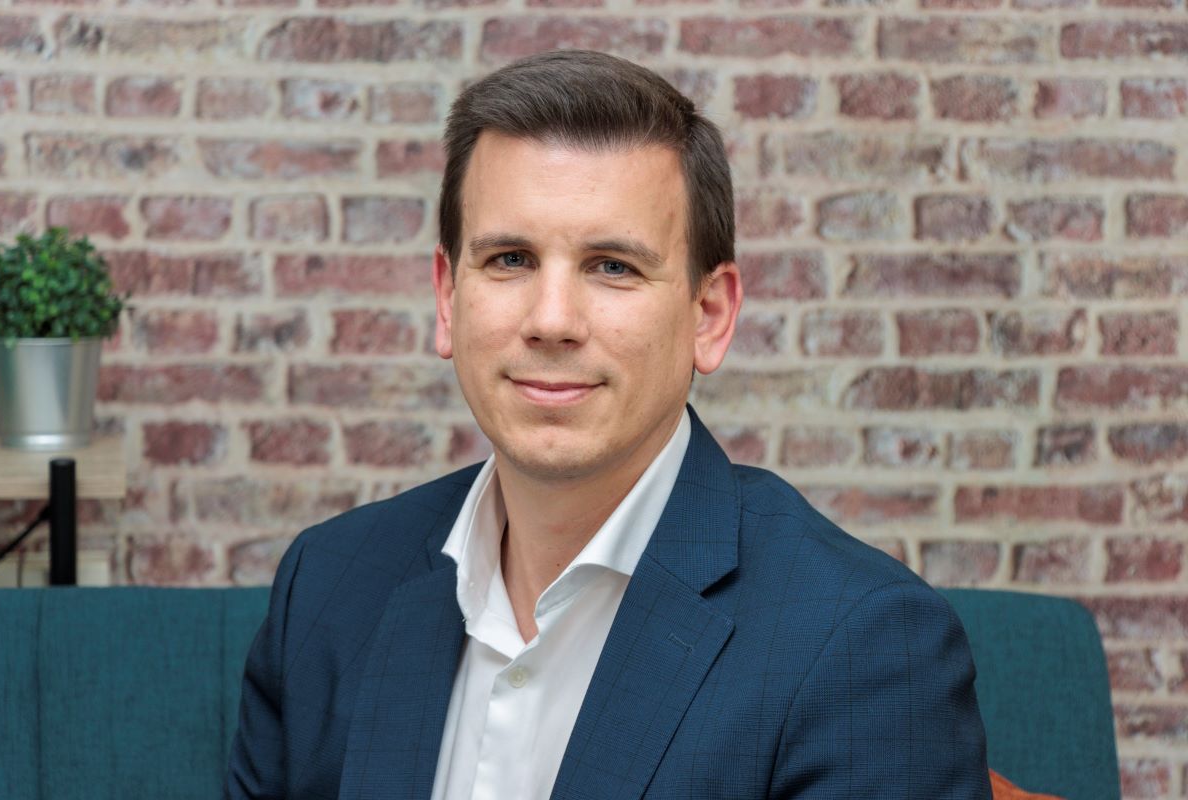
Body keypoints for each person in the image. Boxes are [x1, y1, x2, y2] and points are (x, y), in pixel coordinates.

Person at [225, 50, 991, 799]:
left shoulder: (864, 647)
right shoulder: (329, 585)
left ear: (709, 315)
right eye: (510, 259)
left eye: (612, 266)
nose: (552, 320)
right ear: (447, 297)